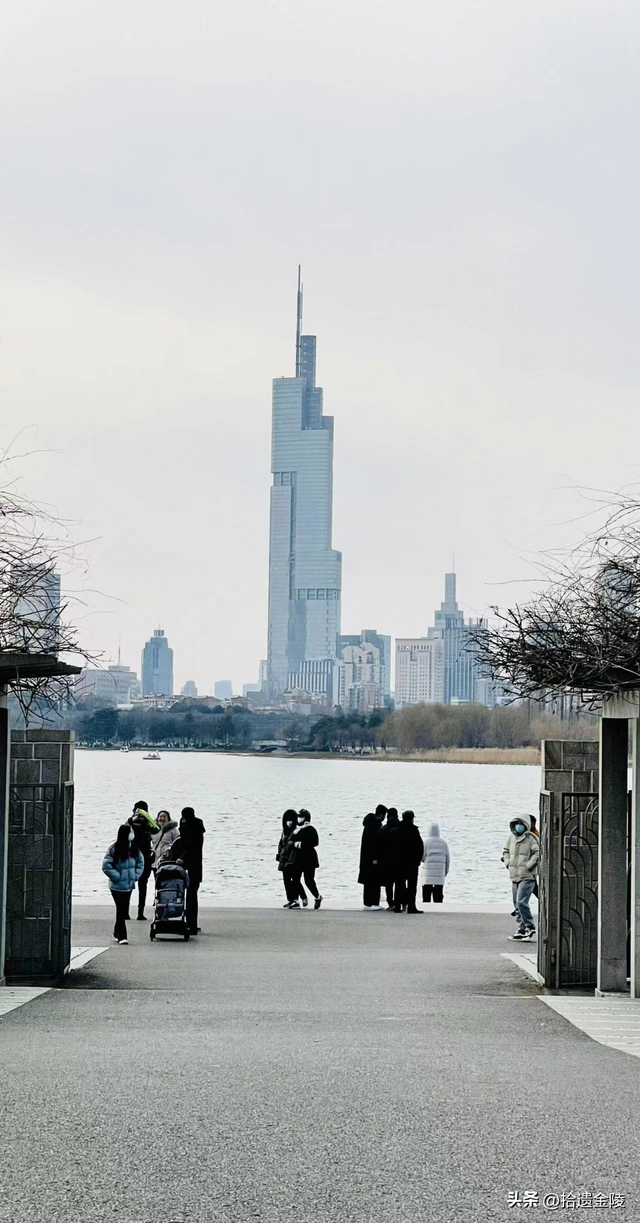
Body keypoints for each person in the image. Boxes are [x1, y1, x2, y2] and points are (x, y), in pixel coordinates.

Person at [102, 825, 144, 944]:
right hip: (116, 885)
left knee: (122, 909)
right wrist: (117, 876)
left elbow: (141, 863)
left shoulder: (134, 848)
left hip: (129, 885)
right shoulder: (114, 849)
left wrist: (135, 876)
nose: (132, 834)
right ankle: (122, 936)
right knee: (121, 910)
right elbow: (106, 866)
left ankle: (116, 932)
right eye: (130, 832)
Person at [503, 814, 539, 941]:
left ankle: (530, 926)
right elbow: (506, 851)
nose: (518, 827)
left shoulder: (531, 839)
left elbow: (538, 852)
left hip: (527, 876)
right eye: (516, 824)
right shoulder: (511, 838)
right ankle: (521, 929)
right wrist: (507, 862)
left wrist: (529, 865)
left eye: (521, 824)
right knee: (516, 904)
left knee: (521, 901)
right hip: (514, 876)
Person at [176, 806, 206, 935]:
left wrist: (182, 858)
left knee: (188, 894)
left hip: (187, 863)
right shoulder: (197, 828)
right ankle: (192, 923)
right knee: (193, 894)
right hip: (196, 865)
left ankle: (190, 924)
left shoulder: (188, 828)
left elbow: (189, 845)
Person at [128, 800, 159, 921]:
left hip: (132, 855)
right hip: (145, 856)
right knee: (143, 884)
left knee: (129, 884)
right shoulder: (148, 822)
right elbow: (157, 830)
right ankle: (140, 913)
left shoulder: (130, 821)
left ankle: (126, 911)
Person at [392, 811, 424, 913]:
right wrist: (418, 860)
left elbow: (391, 847)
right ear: (411, 818)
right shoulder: (414, 831)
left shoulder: (395, 830)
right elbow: (420, 847)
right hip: (411, 863)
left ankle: (397, 906)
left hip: (398, 862)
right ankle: (411, 906)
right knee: (411, 886)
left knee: (399, 885)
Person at [293, 809, 323, 909]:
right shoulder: (297, 830)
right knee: (295, 879)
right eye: (298, 816)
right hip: (298, 858)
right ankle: (303, 897)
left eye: (301, 816)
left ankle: (317, 897)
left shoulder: (311, 829)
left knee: (309, 881)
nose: (299, 818)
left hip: (309, 859)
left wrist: (300, 844)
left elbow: (315, 842)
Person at [358, 805, 387, 909]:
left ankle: (367, 903)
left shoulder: (368, 824)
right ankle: (374, 903)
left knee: (368, 882)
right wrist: (375, 857)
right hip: (373, 858)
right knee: (375, 881)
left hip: (366, 857)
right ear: (381, 815)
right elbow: (374, 843)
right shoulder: (375, 826)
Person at [276, 810, 302, 907]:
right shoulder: (283, 832)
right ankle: (290, 899)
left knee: (295, 881)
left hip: (293, 861)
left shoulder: (296, 831)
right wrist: (279, 855)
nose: (289, 822)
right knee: (286, 881)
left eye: (291, 820)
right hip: (284, 860)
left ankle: (296, 899)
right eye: (287, 820)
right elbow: (281, 845)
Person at [421, 822, 450, 903]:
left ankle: (427, 908)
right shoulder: (443, 843)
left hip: (427, 874)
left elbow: (422, 857)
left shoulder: (426, 842)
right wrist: (445, 872)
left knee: (426, 895)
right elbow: (447, 859)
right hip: (439, 874)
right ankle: (438, 909)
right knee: (438, 896)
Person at [377, 808, 400, 909]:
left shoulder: (383, 829)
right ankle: (399, 902)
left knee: (389, 884)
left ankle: (390, 903)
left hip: (386, 860)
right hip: (399, 859)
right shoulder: (401, 828)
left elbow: (379, 845)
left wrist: (378, 858)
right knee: (399, 883)